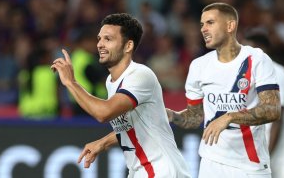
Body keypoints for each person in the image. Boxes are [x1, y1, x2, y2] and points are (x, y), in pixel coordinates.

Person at [51, 13, 191, 178]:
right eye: (99, 38)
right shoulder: (112, 81)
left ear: (128, 46)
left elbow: (104, 113)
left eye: (108, 39)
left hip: (161, 171)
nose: (100, 44)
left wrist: (70, 83)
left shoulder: (140, 75)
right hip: (141, 171)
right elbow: (132, 125)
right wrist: (103, 142)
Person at [166, 2, 281, 178]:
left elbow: (273, 110)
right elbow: (195, 117)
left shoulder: (257, 59)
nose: (203, 29)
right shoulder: (198, 66)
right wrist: (174, 116)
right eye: (202, 24)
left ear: (230, 25)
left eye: (210, 23)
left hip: (250, 165)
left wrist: (229, 117)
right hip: (211, 162)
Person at [244, 30, 284, 178]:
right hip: (262, 148)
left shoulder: (277, 73)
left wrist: (266, 156)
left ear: (261, 49)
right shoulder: (253, 75)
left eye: (249, 48)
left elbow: (276, 121)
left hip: (280, 149)